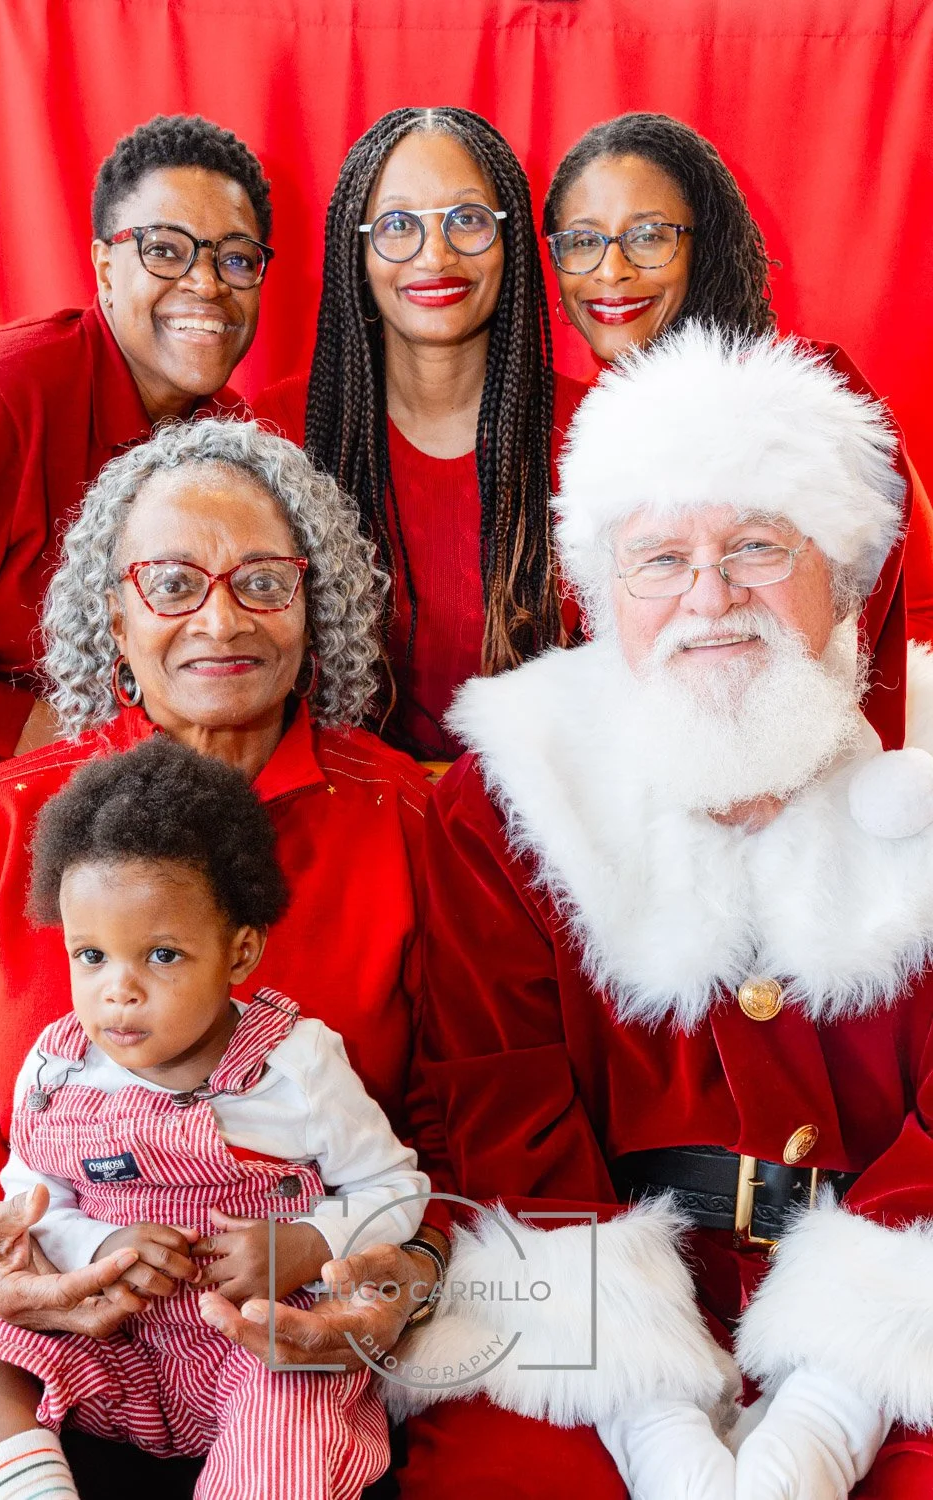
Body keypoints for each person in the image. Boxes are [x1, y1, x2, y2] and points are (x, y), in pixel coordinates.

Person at [387, 325, 933, 1497]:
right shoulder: (514, 794)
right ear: (601, 593)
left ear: (839, 575)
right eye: (660, 561)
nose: (709, 599)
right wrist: (657, 1428)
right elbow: (502, 1114)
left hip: (908, 1280)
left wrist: (827, 1416)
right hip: (582, 1290)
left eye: (754, 548)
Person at [0, 419, 445, 1497]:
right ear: (110, 613)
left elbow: (464, 1130)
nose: (220, 618)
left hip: (286, 1334)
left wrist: (395, 1265)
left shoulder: (407, 822)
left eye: (262, 580)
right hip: (63, 1322)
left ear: (317, 605)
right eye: (170, 582)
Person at [0, 737, 428, 1500]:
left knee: (293, 1407)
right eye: (90, 956)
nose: (118, 992)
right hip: (112, 1339)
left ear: (239, 951)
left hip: (254, 1339)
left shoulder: (294, 1065)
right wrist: (101, 1244)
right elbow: (34, 1204)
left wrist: (308, 1245)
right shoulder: (55, 1066)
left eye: (161, 956)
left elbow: (397, 1190)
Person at [0, 113, 272, 811]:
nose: (207, 284)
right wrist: (37, 729)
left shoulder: (234, 443)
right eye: (166, 250)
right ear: (103, 267)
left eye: (236, 258)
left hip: (138, 800)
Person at [255, 106, 586, 760]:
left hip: (547, 831)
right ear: (358, 250)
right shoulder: (277, 435)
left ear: (510, 241)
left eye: (466, 220)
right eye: (399, 225)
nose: (435, 255)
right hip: (341, 824)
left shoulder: (598, 433)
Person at [541, 111, 933, 644]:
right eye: (583, 241)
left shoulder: (807, 402)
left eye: (650, 235)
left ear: (706, 247)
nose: (612, 271)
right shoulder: (557, 424)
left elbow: (918, 610)